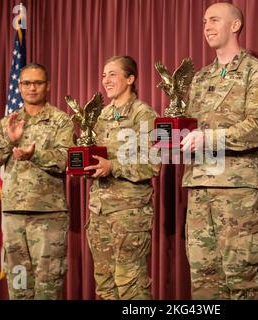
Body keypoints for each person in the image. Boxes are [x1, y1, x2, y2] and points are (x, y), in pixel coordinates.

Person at [180, 3, 258, 300]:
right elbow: (187, 126)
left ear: (235, 25)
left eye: (214, 20)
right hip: (199, 187)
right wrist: (166, 140)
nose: (206, 26)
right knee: (204, 280)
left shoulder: (257, 73)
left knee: (240, 280)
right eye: (204, 21)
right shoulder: (199, 78)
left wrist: (208, 138)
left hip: (237, 191)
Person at [0, 63, 74, 299]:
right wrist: (9, 141)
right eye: (26, 83)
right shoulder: (8, 122)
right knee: (19, 286)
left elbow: (66, 160)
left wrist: (35, 155)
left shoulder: (61, 121)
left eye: (38, 83)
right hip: (13, 217)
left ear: (48, 86)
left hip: (49, 216)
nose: (32, 88)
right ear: (19, 87)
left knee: (47, 288)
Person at [84, 55, 159, 300]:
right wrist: (83, 166)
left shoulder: (144, 114)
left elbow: (153, 164)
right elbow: (95, 156)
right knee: (104, 286)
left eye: (112, 74)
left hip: (129, 215)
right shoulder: (101, 115)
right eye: (104, 74)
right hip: (99, 212)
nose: (106, 79)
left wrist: (112, 167)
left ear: (130, 79)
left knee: (131, 286)